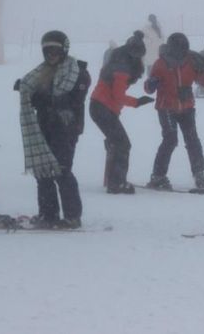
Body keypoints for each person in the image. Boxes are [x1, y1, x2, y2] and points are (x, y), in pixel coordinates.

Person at [17, 31, 91, 228]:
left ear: (64, 50)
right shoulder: (42, 72)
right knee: (43, 171)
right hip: (44, 126)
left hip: (66, 128)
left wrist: (47, 98)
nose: (51, 55)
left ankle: (72, 216)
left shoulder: (78, 72)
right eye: (47, 51)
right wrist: (28, 92)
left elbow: (74, 101)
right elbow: (39, 99)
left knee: (62, 170)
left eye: (55, 51)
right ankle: (48, 214)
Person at [144, 33, 204, 191]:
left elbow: (203, 81)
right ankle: (158, 175)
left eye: (184, 49)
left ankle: (199, 172)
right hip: (166, 108)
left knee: (192, 139)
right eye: (180, 49)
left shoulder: (191, 61)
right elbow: (148, 87)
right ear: (173, 49)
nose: (182, 53)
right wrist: (151, 84)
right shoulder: (161, 64)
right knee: (170, 140)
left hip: (187, 107)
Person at [90, 31, 154, 194]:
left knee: (116, 142)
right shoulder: (122, 68)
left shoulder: (116, 60)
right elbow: (118, 96)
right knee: (122, 144)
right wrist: (137, 102)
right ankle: (117, 183)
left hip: (100, 107)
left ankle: (112, 180)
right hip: (103, 108)